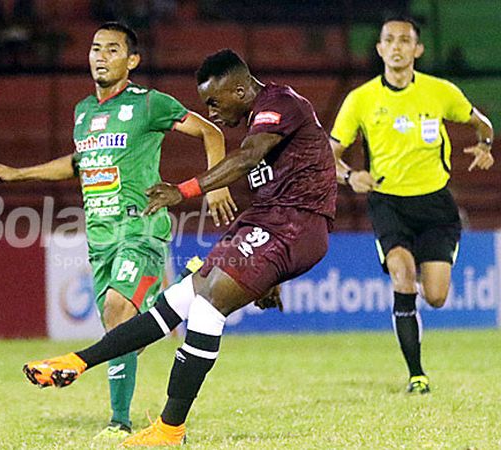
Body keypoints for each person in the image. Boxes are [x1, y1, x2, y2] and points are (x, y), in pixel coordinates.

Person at [22, 48, 337, 446]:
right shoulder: (261, 115)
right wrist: (267, 273)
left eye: (213, 101)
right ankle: (76, 362)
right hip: (269, 225)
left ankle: (170, 429)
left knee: (207, 306)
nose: (211, 110)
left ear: (240, 90)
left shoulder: (280, 104)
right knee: (176, 301)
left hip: (294, 226)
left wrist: (183, 190)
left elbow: (247, 158)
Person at [0, 22, 236, 440]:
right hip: (100, 237)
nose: (101, 56)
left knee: (119, 311)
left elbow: (210, 131)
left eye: (112, 50)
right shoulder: (83, 111)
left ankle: (118, 422)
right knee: (118, 330)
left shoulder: (149, 103)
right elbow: (78, 163)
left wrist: (216, 185)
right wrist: (18, 174)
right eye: (96, 48)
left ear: (132, 60)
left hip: (141, 228)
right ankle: (159, 321)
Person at [329, 16, 494, 394]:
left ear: (417, 50)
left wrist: (486, 146)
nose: (398, 46)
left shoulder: (441, 92)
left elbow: (481, 123)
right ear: (380, 49)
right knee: (402, 278)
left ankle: (421, 294)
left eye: (406, 40)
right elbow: (329, 153)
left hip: (436, 205)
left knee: (435, 296)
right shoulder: (361, 99)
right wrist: (350, 176)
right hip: (389, 203)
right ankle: (416, 374)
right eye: (390, 40)